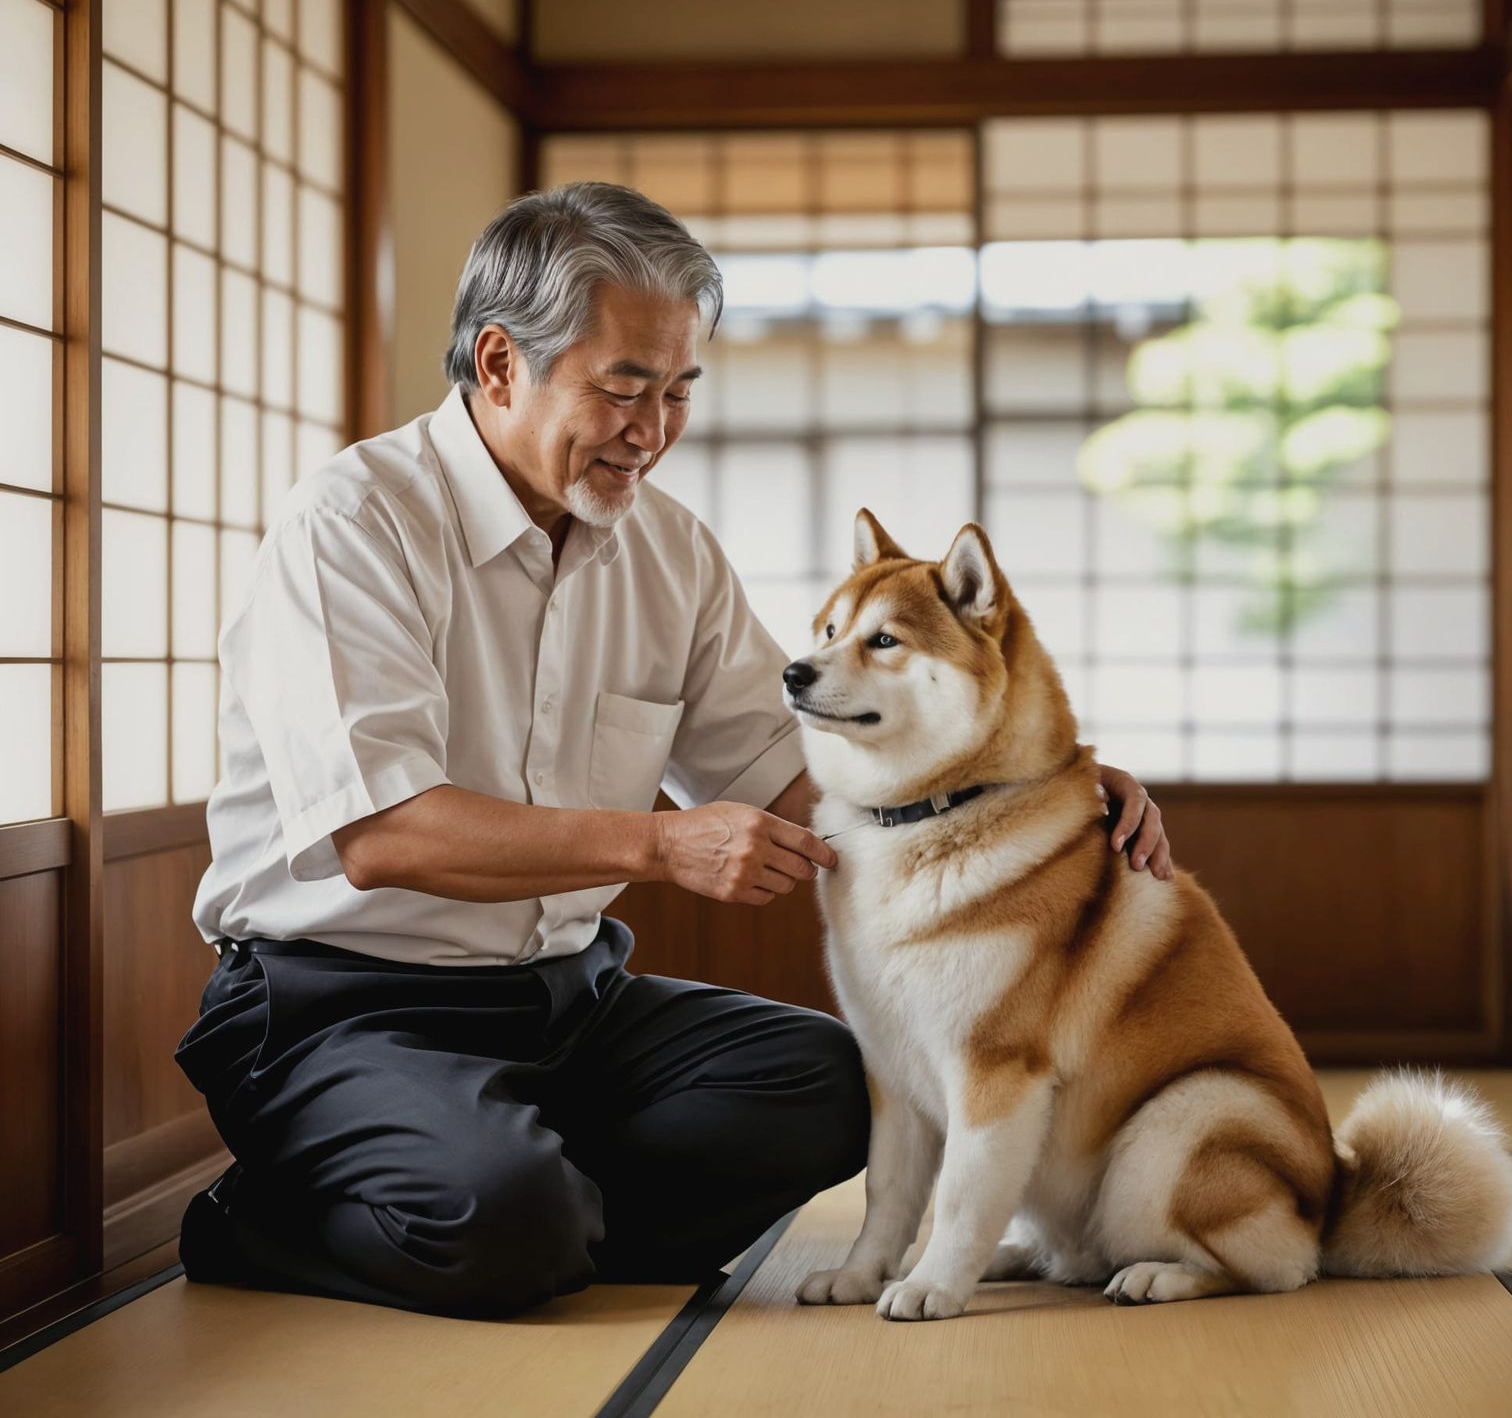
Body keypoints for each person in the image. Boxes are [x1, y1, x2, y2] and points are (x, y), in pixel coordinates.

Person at [174, 182, 1173, 1319]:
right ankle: (284, 1214)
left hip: (568, 1002)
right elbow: (381, 833)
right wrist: (657, 842)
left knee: (834, 1088)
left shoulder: (665, 549)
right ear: (499, 366)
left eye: (679, 389)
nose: (652, 430)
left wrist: (1032, 794)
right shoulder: (352, 524)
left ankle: (520, 1201)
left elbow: (801, 780)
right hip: (338, 1004)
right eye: (623, 388)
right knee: (504, 1222)